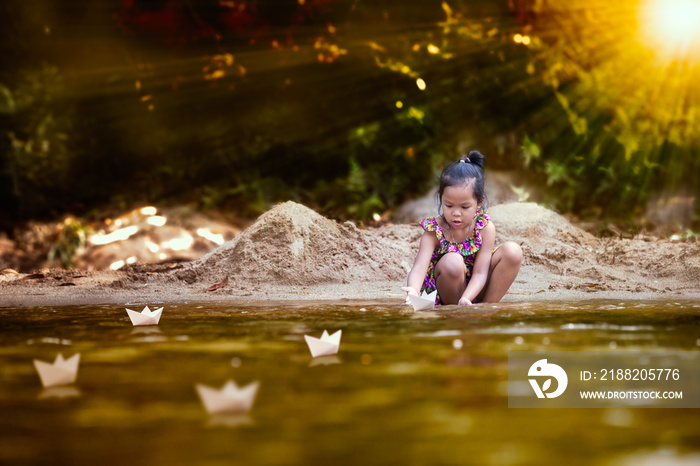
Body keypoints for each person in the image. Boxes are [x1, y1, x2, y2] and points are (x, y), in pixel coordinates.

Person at [402, 151, 522, 306]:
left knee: (512, 251)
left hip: (475, 289)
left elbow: (480, 272)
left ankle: (486, 309)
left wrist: (466, 298)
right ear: (441, 200)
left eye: (465, 207)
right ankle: (457, 314)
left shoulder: (484, 228)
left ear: (479, 203)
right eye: (449, 205)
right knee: (453, 260)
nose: (456, 213)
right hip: (445, 289)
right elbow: (419, 268)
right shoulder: (434, 231)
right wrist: (413, 290)